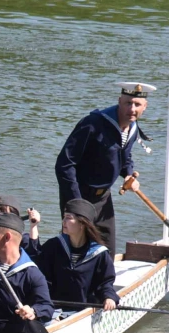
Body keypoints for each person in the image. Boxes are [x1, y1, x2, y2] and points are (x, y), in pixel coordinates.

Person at [55, 81, 156, 253]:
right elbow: (64, 164)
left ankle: (104, 281)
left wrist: (128, 174)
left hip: (103, 199)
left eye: (137, 104)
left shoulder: (132, 127)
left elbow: (124, 155)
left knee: (106, 250)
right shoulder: (93, 123)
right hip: (80, 195)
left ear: (144, 107)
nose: (132, 109)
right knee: (75, 252)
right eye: (128, 103)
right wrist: (76, 203)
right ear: (119, 101)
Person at [34, 198, 120, 311]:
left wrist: (109, 297)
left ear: (82, 224)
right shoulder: (54, 245)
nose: (63, 221)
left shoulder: (99, 254)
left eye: (68, 218)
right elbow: (40, 274)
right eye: (64, 217)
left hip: (83, 309)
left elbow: (105, 283)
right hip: (52, 307)